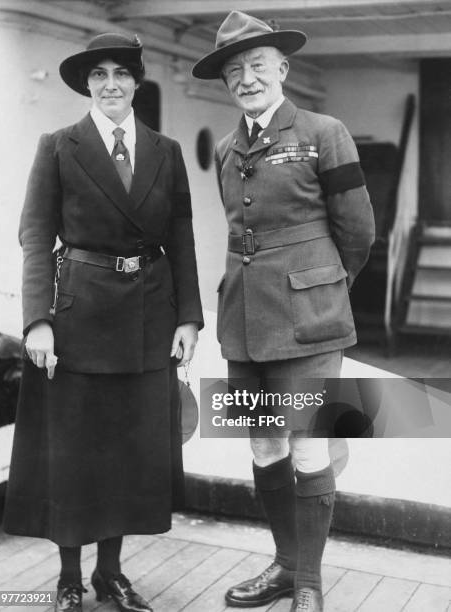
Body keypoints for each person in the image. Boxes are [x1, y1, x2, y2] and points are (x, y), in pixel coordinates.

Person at [4, 33, 203, 612]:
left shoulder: (165, 151)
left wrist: (189, 317)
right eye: (99, 76)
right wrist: (37, 320)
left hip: (148, 317)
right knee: (75, 450)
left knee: (127, 451)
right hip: (77, 320)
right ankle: (69, 578)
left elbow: (183, 238)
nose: (111, 84)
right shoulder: (59, 146)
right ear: (87, 85)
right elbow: (36, 235)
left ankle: (110, 574)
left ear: (137, 83)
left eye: (121, 74)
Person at [193, 11, 374, 612]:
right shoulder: (225, 149)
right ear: (226, 83)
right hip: (245, 324)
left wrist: (323, 287)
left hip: (310, 325)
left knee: (307, 446)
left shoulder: (326, 131)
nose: (246, 78)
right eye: (234, 70)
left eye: (257, 65)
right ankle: (283, 566)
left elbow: (359, 232)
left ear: (282, 69)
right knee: (265, 447)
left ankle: (308, 584)